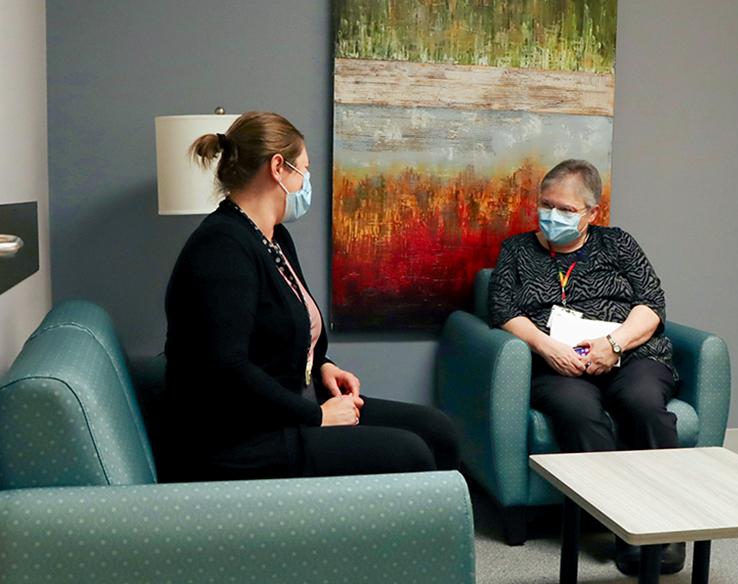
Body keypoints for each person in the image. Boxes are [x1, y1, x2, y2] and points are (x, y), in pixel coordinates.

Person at [162, 111, 458, 482]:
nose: (306, 181)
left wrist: (323, 366)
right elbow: (227, 370)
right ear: (277, 168)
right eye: (304, 168)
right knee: (411, 452)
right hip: (239, 439)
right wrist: (318, 417)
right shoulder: (221, 249)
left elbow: (288, 328)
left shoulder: (273, 237)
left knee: (437, 430)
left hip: (287, 407)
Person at [488, 159, 684, 575]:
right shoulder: (517, 250)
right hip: (557, 362)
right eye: (546, 205)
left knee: (643, 402)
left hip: (630, 354)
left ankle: (665, 528)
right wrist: (546, 347)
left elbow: (652, 304)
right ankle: (620, 524)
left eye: (566, 209)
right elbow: (502, 309)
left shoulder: (619, 244)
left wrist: (613, 345)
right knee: (576, 411)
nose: (552, 216)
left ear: (592, 213)